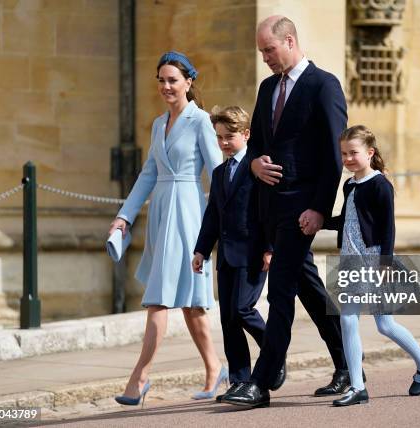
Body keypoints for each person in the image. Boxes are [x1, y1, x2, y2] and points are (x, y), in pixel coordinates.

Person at [223, 16, 350, 408]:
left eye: (269, 50)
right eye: (262, 52)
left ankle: (262, 382)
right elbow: (257, 145)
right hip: (270, 211)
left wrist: (319, 209)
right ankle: (348, 364)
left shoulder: (323, 86)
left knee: (280, 292)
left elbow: (333, 156)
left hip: (302, 212)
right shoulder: (266, 88)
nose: (265, 59)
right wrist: (255, 165)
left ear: (289, 41)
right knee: (308, 286)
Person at [109, 51, 227, 406]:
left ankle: (139, 377)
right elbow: (148, 174)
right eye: (161, 80)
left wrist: (225, 223)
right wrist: (124, 216)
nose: (165, 86)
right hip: (162, 213)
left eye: (172, 80)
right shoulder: (158, 124)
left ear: (189, 82)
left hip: (189, 213)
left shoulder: (201, 121)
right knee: (191, 305)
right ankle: (214, 367)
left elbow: (219, 173)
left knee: (159, 299)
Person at [325, 125, 420, 406]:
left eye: (354, 153)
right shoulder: (349, 184)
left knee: (384, 325)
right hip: (351, 260)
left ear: (370, 152)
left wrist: (385, 262)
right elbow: (348, 220)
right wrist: (318, 221)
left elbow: (388, 227)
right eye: (344, 154)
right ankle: (358, 387)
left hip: (374, 260)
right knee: (349, 319)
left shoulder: (380, 185)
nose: (348, 159)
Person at [192, 106, 272, 401]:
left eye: (230, 136)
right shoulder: (219, 171)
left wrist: (270, 247)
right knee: (228, 318)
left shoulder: (257, 165)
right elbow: (213, 215)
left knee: (242, 309)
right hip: (226, 256)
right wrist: (201, 249)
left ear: (246, 134)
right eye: (219, 138)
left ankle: (274, 352)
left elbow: (268, 211)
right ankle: (240, 380)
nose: (224, 143)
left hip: (253, 253)